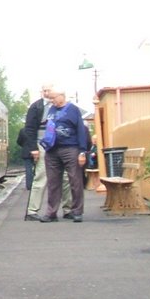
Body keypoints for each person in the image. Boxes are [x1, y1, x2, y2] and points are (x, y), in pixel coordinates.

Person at [39, 87, 89, 223]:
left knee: (75, 181)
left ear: (62, 96)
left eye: (53, 98)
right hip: (52, 150)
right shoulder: (51, 109)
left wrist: (82, 151)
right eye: (50, 99)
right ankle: (51, 213)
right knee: (53, 182)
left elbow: (80, 130)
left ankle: (77, 211)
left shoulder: (73, 110)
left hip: (70, 149)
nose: (52, 101)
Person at [24, 83, 71, 219]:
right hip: (42, 144)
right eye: (44, 90)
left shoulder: (63, 106)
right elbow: (30, 128)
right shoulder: (36, 107)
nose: (46, 93)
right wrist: (33, 148)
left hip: (61, 144)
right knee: (41, 176)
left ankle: (68, 209)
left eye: (49, 90)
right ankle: (32, 211)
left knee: (66, 177)